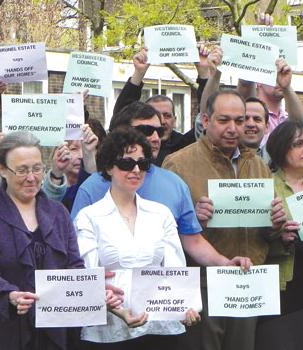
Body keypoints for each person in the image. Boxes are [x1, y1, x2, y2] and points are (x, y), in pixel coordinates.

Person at [162, 90, 285, 350]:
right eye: (224, 120)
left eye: (239, 121)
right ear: (205, 121)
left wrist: (275, 225)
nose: (233, 128)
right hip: (205, 283)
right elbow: (161, 232)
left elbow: (267, 230)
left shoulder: (258, 164)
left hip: (248, 280)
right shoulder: (178, 163)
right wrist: (193, 220)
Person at [71, 101, 251, 271]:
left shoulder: (174, 184)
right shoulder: (91, 188)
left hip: (157, 298)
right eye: (146, 130)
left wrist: (225, 263)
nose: (155, 137)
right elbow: (77, 256)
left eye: (159, 130)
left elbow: (192, 241)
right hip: (109, 298)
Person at [75, 127, 199, 349]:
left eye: (142, 164)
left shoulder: (161, 214)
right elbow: (87, 275)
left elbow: (175, 269)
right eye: (126, 163)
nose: (135, 170)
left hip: (160, 329)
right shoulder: (89, 217)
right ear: (109, 167)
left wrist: (185, 306)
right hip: (110, 332)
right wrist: (118, 309)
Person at [0, 131, 84, 349]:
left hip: (55, 330)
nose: (31, 177)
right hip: (6, 329)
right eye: (22, 170)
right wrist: (9, 294)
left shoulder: (58, 212)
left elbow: (74, 265)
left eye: (37, 169)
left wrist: (94, 289)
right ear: (2, 170)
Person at [265, 120, 303, 314]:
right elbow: (251, 240)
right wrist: (280, 238)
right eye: (298, 144)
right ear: (281, 148)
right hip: (283, 284)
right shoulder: (266, 187)